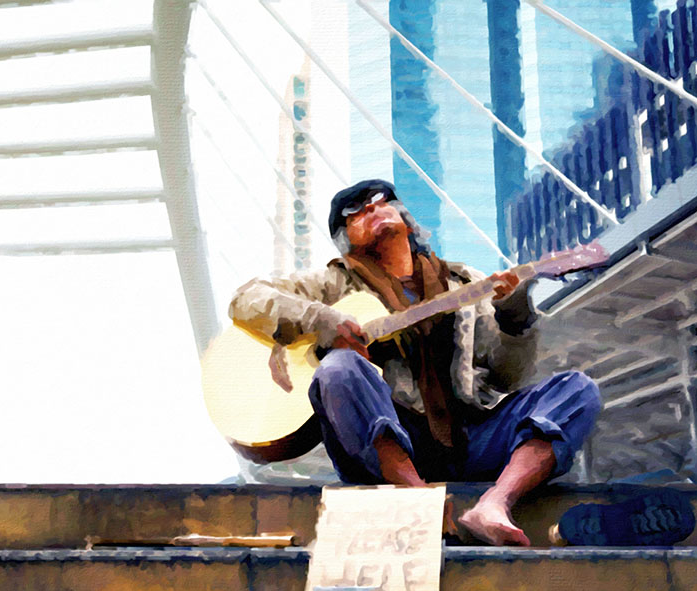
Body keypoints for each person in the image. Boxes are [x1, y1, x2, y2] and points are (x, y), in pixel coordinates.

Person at [229, 179, 602, 546]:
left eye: (381, 201)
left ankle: (495, 503)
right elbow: (246, 298)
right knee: (338, 368)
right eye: (355, 211)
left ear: (405, 218)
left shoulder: (464, 282)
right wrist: (320, 320)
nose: (372, 209)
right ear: (345, 239)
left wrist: (514, 315)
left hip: (470, 437)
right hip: (385, 447)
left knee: (577, 389)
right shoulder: (331, 285)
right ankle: (418, 500)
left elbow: (506, 377)